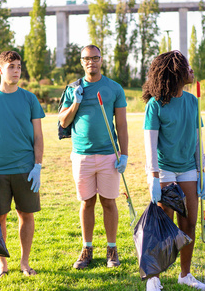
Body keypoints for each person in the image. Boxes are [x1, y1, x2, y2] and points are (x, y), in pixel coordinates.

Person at [142, 50, 205, 291]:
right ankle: (154, 278)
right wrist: (153, 176)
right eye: (187, 67)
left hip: (188, 169)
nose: (191, 71)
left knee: (189, 222)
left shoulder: (193, 101)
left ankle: (185, 274)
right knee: (164, 225)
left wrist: (202, 173)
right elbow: (150, 143)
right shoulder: (155, 105)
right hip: (164, 170)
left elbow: (198, 139)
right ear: (175, 73)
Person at [0, 50, 45, 278]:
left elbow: (38, 136)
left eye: (18, 66)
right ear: (0, 69)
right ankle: (2, 264)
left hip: (25, 169)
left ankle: (25, 263)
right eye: (11, 66)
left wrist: (38, 166)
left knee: (26, 215)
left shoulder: (29, 98)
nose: (16, 71)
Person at [58, 45, 129, 269]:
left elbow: (122, 124)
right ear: (81, 62)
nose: (91, 62)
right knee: (87, 202)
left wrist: (124, 154)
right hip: (82, 156)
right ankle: (87, 248)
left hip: (109, 154)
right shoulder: (73, 88)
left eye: (95, 58)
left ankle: (112, 249)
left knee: (109, 202)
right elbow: (63, 122)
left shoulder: (114, 88)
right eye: (87, 59)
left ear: (101, 60)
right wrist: (76, 101)